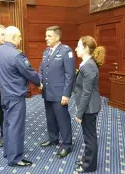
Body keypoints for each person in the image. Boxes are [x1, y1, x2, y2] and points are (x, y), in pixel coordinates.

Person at [0, 26, 41, 167]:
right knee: (16, 127)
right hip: (16, 96)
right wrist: (39, 82)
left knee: (7, 124)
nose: (21, 39)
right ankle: (15, 158)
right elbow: (30, 73)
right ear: (14, 37)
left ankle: (8, 152)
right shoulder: (16, 55)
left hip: (5, 95)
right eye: (19, 36)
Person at [38, 26, 75, 159]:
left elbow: (70, 75)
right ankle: (53, 138)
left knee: (62, 119)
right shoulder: (46, 52)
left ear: (57, 37)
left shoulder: (66, 51)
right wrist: (40, 81)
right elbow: (41, 70)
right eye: (46, 35)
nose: (45, 38)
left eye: (49, 36)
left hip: (60, 94)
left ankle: (67, 144)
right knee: (50, 118)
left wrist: (66, 94)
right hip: (47, 92)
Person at [73, 36, 105, 173]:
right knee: (88, 136)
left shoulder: (89, 66)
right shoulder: (87, 64)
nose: (76, 49)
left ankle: (89, 166)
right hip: (87, 106)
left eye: (78, 46)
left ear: (86, 48)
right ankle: (87, 159)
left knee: (90, 137)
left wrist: (79, 113)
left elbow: (86, 93)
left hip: (89, 108)